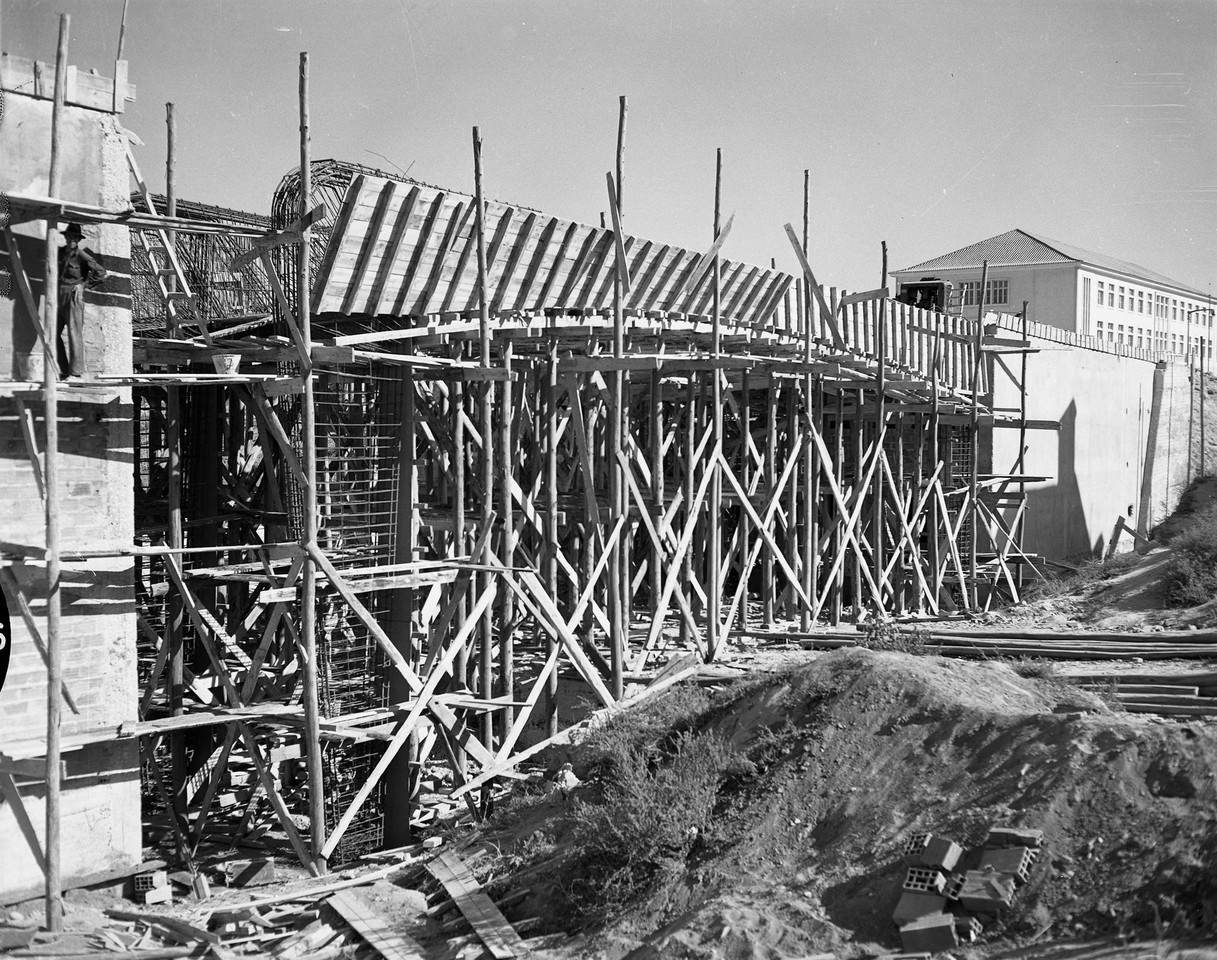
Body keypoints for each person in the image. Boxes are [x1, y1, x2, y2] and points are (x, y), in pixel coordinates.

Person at [57, 222, 107, 378]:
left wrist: (84, 286)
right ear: (65, 237)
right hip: (59, 297)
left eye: (75, 237)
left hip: (74, 297)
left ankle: (76, 373)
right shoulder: (59, 253)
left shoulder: (81, 255)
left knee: (74, 333)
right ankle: (64, 370)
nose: (72, 239)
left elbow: (101, 272)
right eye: (69, 236)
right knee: (52, 333)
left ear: (78, 240)